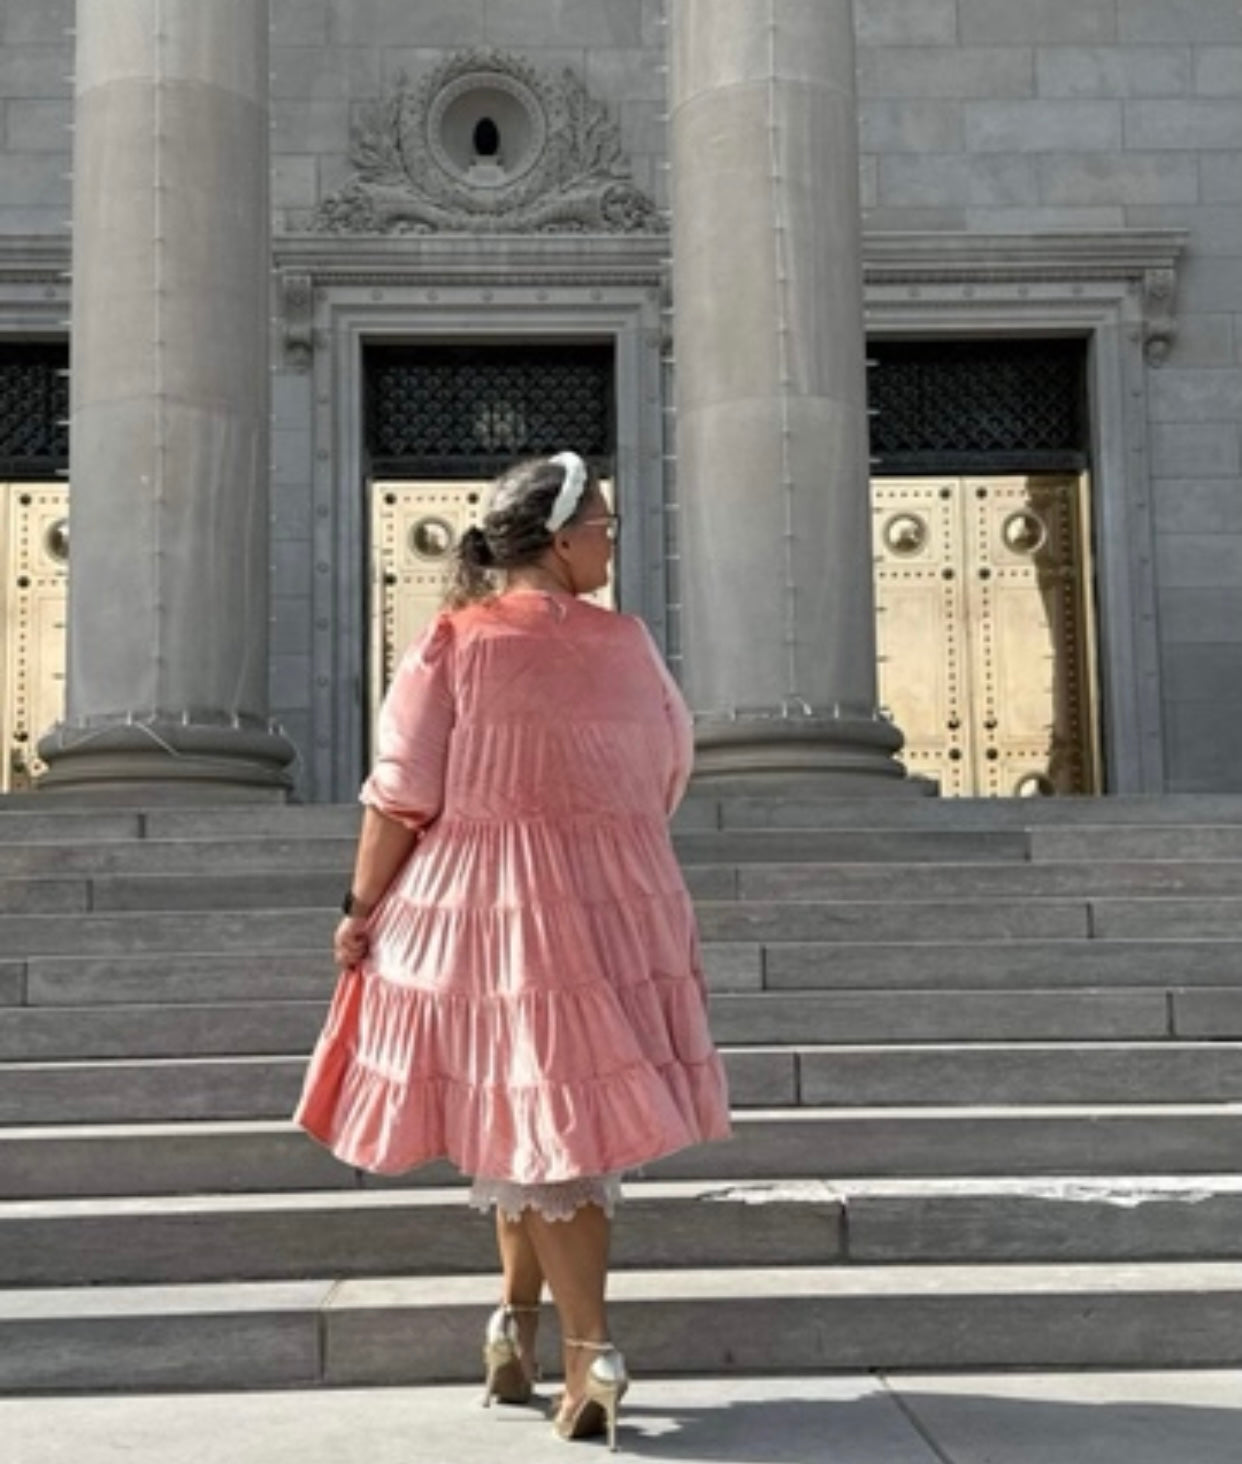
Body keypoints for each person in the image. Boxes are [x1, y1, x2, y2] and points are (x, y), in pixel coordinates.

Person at [294, 451, 732, 1450]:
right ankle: (515, 1328)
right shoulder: (632, 645)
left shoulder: (452, 643)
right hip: (623, 897)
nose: (613, 539)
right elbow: (670, 768)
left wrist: (359, 907)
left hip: (489, 902)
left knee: (539, 1119)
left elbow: (402, 793)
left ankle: (591, 1352)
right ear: (557, 537)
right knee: (529, 1118)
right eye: (604, 526)